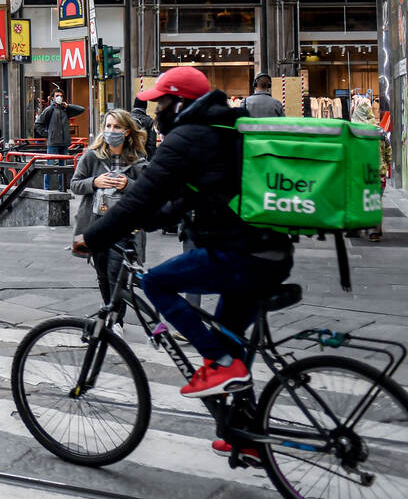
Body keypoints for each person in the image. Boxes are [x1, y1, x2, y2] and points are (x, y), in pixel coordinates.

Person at [77, 67, 294, 408]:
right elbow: (187, 198)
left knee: (156, 283)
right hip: (270, 252)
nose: (156, 112)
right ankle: (243, 433)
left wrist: (93, 237)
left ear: (178, 104)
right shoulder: (224, 127)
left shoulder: (189, 136)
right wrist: (149, 221)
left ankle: (222, 367)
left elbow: (142, 196)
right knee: (228, 341)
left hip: (239, 254)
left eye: (161, 103)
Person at [70, 110, 148, 309]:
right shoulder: (92, 156)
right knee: (103, 274)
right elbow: (75, 184)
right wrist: (95, 182)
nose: (111, 131)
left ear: (127, 132)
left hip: (124, 228)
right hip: (97, 224)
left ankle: (116, 321)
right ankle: (110, 311)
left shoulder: (137, 160)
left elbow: (147, 191)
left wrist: (127, 184)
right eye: (108, 126)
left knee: (116, 273)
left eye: (117, 127)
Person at [34, 89, 85, 190]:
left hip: (64, 143)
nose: (59, 97)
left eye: (61, 95)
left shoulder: (65, 110)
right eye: (57, 95)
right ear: (52, 97)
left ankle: (62, 189)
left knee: (63, 168)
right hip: (53, 143)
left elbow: (81, 109)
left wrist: (68, 106)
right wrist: (47, 134)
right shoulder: (49, 109)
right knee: (50, 166)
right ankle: (47, 189)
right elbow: (38, 124)